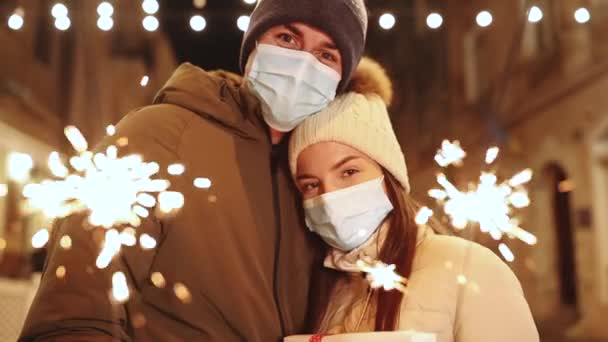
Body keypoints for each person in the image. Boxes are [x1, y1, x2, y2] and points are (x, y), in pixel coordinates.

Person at [19, 1, 368, 341]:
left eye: (326, 55)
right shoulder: (156, 135)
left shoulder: (318, 177)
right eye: (288, 39)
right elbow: (70, 319)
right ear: (254, 45)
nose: (303, 65)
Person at [287, 58, 540, 341]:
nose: (329, 195)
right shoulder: (325, 293)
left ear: (389, 175)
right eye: (311, 184)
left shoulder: (470, 266)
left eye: (349, 171)